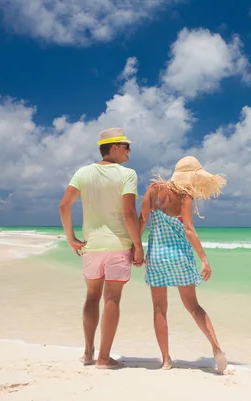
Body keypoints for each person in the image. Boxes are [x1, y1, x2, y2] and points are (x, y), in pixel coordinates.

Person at [59, 127, 144, 370]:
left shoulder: (83, 173)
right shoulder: (127, 174)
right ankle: (104, 359)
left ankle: (88, 353)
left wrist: (71, 239)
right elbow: (129, 213)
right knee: (112, 299)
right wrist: (137, 246)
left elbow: (64, 207)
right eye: (126, 146)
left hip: (92, 246)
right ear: (114, 147)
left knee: (92, 296)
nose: (129, 151)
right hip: (118, 245)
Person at [138, 156, 228, 373]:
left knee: (160, 309)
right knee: (194, 307)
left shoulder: (153, 190)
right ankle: (216, 349)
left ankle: (166, 360)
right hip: (180, 257)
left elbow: (141, 220)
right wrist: (204, 259)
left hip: (157, 257)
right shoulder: (185, 195)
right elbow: (188, 229)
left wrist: (135, 249)